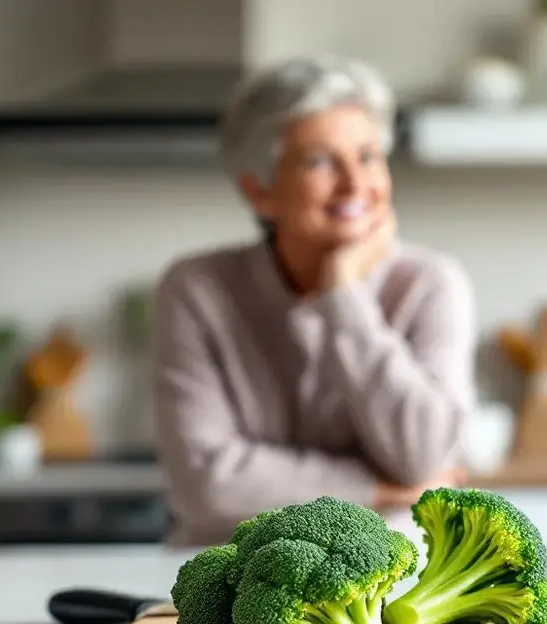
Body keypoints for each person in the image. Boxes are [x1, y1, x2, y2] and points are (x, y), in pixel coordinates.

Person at [152, 56, 475, 547]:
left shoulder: (430, 283)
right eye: (319, 161)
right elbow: (207, 485)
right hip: (225, 584)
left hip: (387, 589)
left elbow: (424, 455)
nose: (354, 184)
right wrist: (381, 488)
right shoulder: (197, 289)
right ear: (259, 191)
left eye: (368, 156)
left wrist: (343, 295)